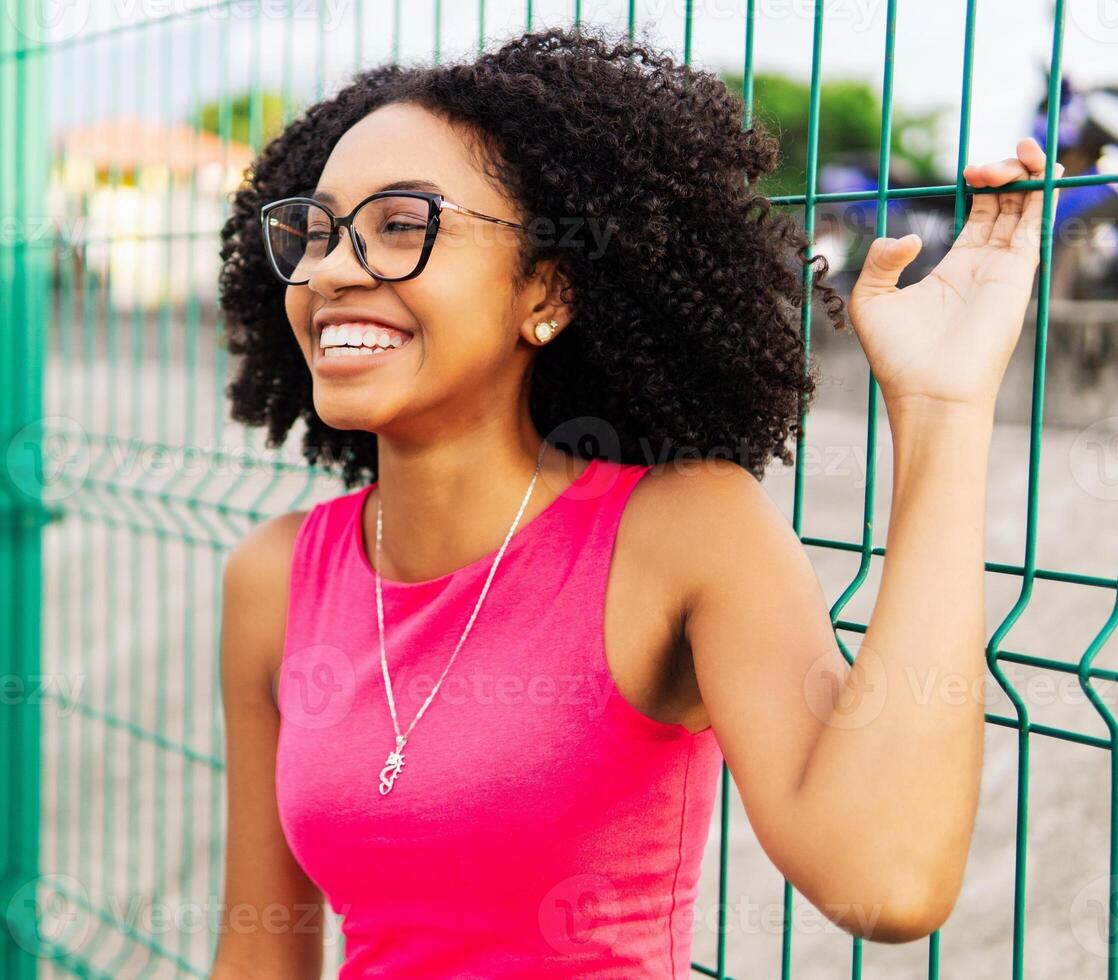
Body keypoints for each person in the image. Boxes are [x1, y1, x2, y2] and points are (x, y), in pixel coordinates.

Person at [210, 24, 1061, 979]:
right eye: (315, 231)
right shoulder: (275, 579)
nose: (330, 270)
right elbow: (259, 957)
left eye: (402, 226)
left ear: (549, 289)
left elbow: (890, 876)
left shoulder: (682, 533)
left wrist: (942, 413)